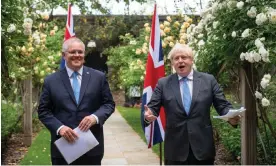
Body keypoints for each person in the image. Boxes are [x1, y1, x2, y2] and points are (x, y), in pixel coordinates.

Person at [144, 43, 240, 165]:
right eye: (176, 58)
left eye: (184, 57)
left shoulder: (208, 80)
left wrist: (230, 116)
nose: (180, 61)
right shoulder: (163, 84)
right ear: (172, 63)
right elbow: (152, 107)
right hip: (175, 149)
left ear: (191, 60)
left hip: (203, 148)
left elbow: (222, 105)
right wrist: (148, 115)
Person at [37, 37, 115, 165]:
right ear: (64, 55)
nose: (77, 55)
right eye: (73, 52)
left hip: (92, 148)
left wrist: (95, 117)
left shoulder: (98, 77)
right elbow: (43, 111)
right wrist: (60, 128)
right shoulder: (51, 81)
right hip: (63, 148)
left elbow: (109, 104)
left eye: (80, 52)